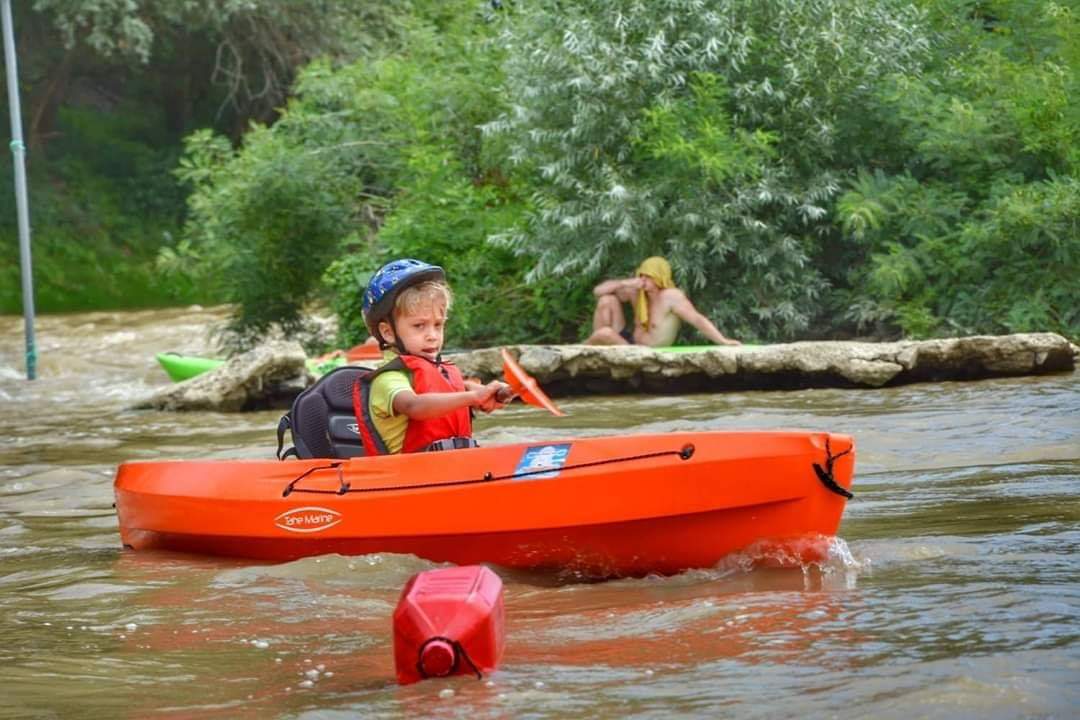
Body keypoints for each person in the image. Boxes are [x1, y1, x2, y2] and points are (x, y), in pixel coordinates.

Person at [358, 259, 510, 455]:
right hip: (409, 478)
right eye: (419, 326)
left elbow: (465, 390)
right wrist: (472, 397)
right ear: (388, 332)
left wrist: (499, 392)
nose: (432, 335)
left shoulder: (440, 372)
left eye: (438, 325)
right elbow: (415, 406)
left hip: (449, 467)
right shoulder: (388, 380)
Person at [584, 256, 740, 347]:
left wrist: (723, 341)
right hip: (630, 341)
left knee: (604, 334)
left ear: (660, 277)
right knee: (607, 299)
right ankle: (596, 346)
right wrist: (625, 283)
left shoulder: (671, 297)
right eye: (641, 275)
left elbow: (697, 319)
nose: (643, 280)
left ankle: (585, 347)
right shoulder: (636, 291)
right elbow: (597, 291)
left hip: (645, 350)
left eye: (648, 276)